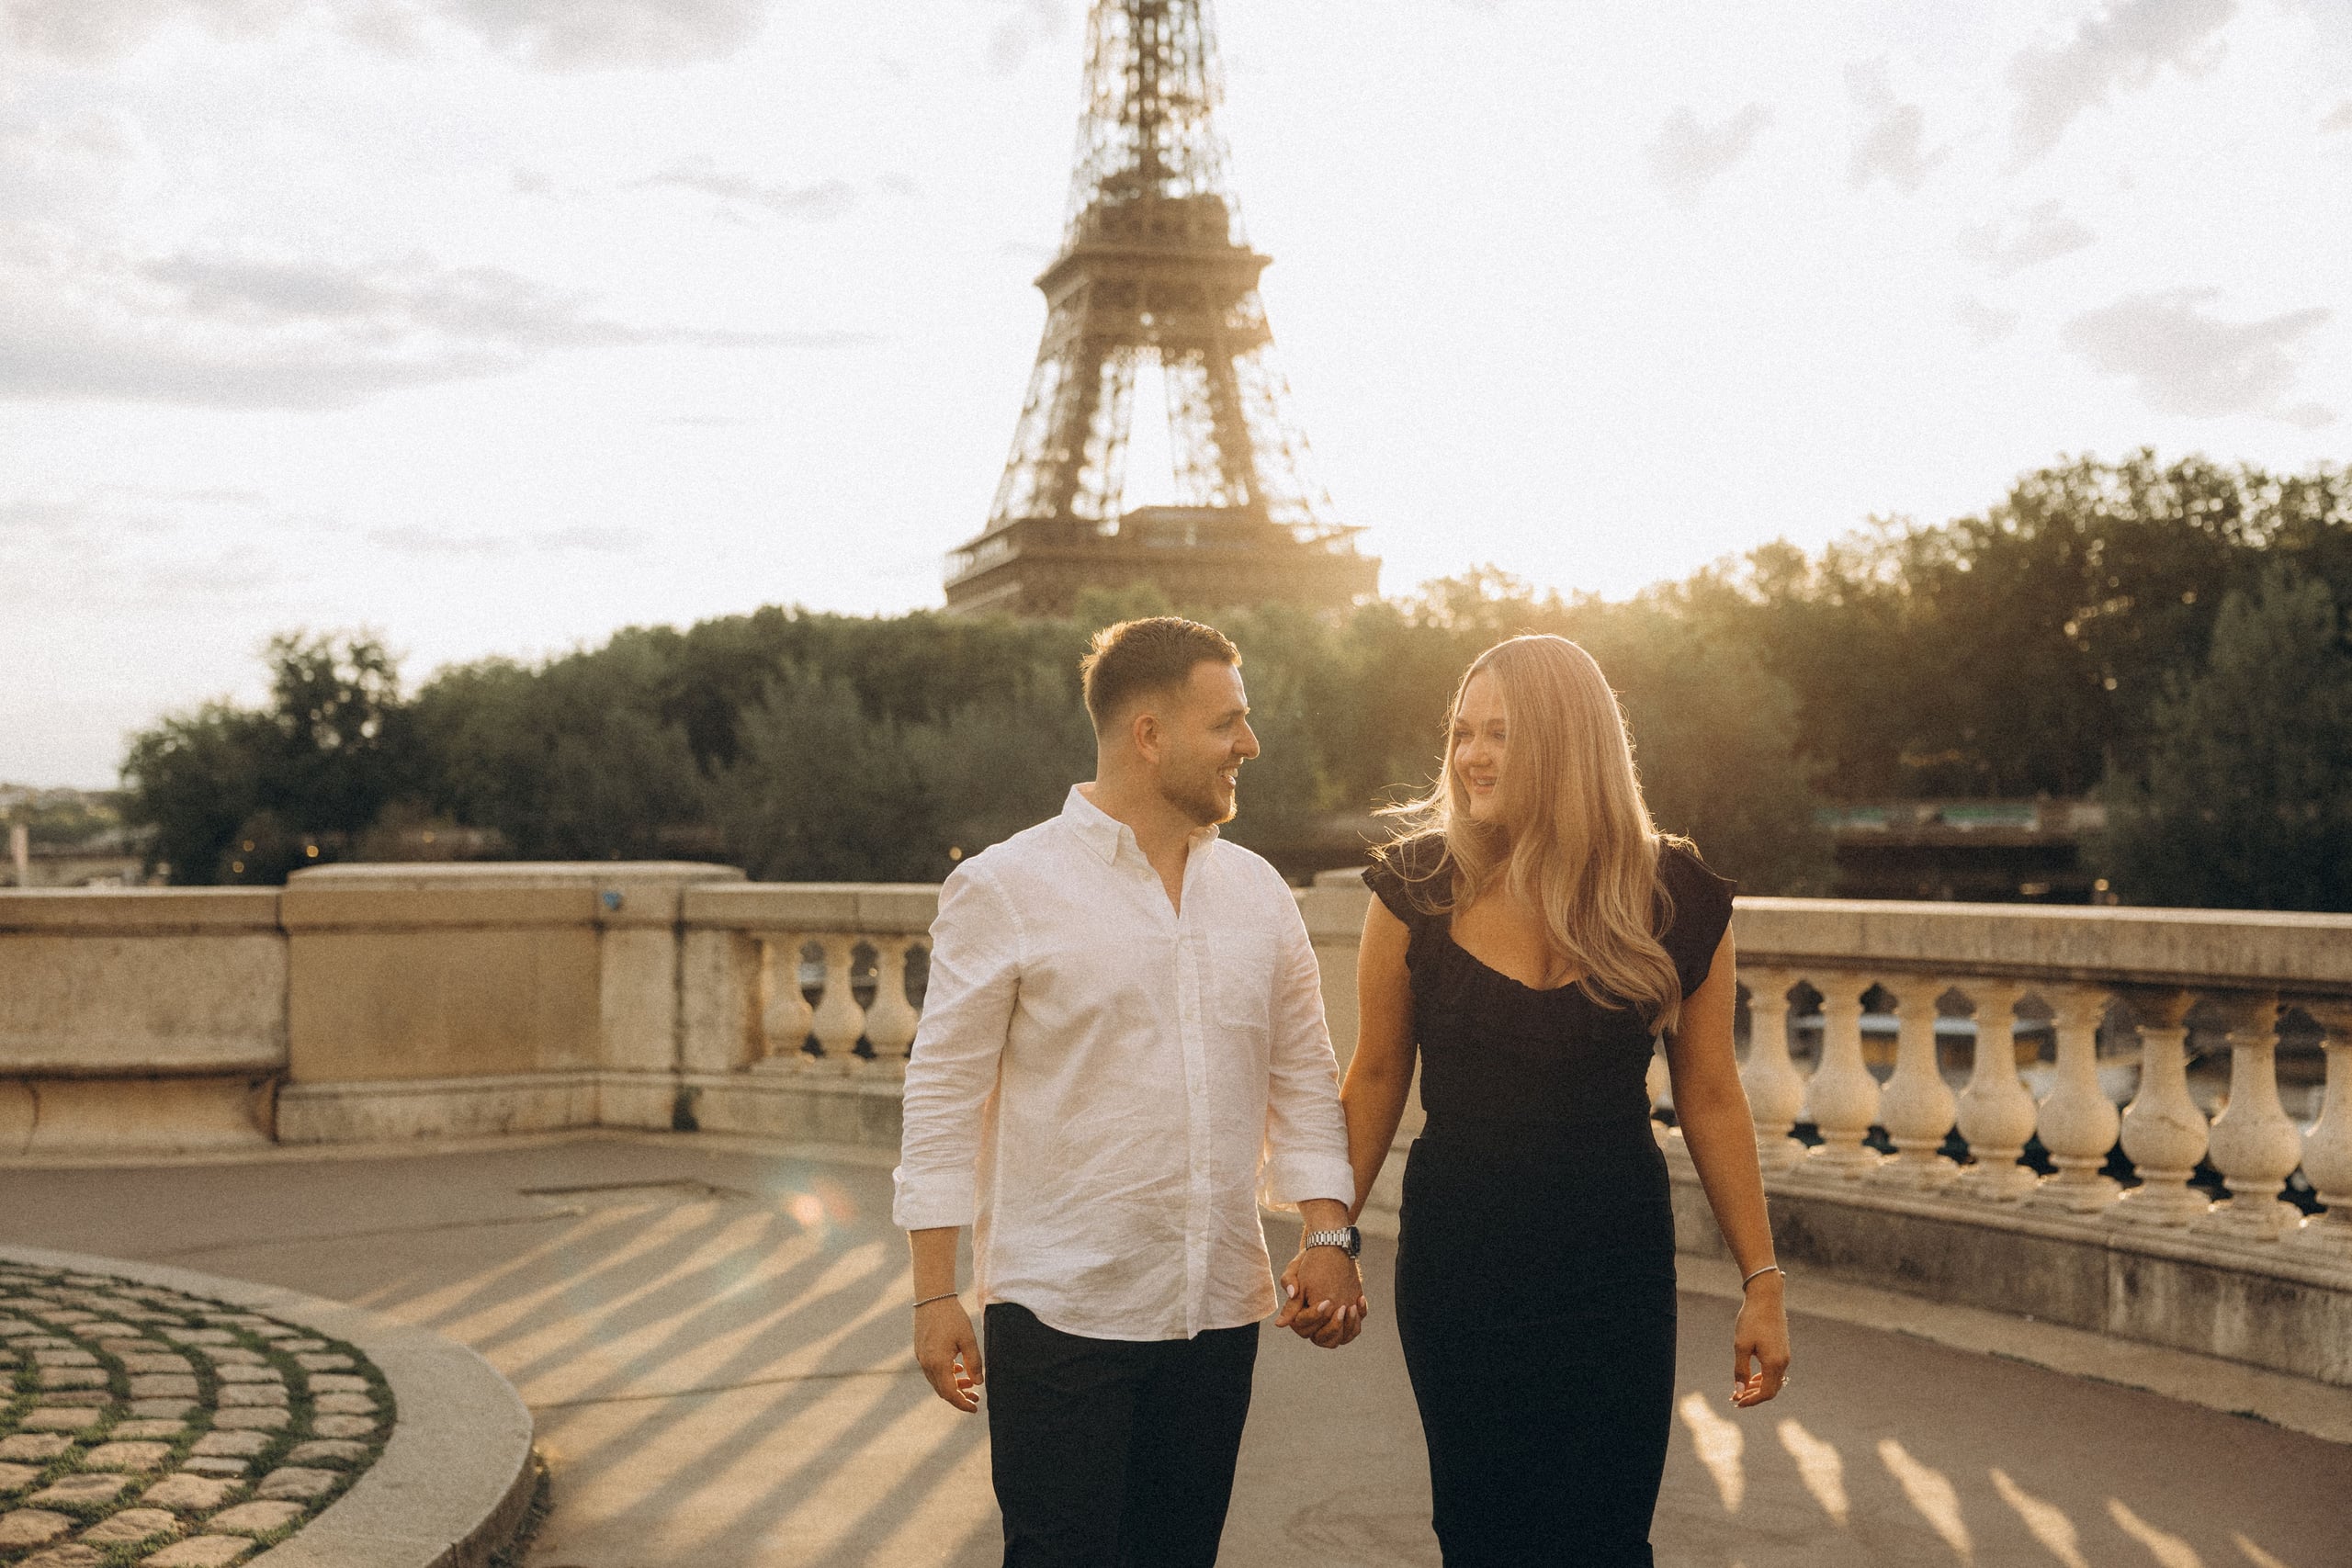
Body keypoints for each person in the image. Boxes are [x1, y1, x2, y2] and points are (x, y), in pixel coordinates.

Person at [1286, 633, 1792, 1566]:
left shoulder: (1675, 892)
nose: (1469, 755)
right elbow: (1376, 1077)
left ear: (1567, 743)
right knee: (1482, 1537)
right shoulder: (1414, 888)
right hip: (1463, 1263)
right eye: (1461, 733)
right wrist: (1329, 1237)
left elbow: (1713, 1096)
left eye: (1500, 735)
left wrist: (1762, 1281)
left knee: (1605, 1538)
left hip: (1615, 1266)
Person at [893, 615, 1368, 1568]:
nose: (1250, 744)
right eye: (1227, 721)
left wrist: (1327, 1233)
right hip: (1059, 1311)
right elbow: (942, 1096)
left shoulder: (1259, 894)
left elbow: (1305, 1080)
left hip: (1216, 1308)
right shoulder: (1005, 886)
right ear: (1148, 734)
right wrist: (931, 1292)